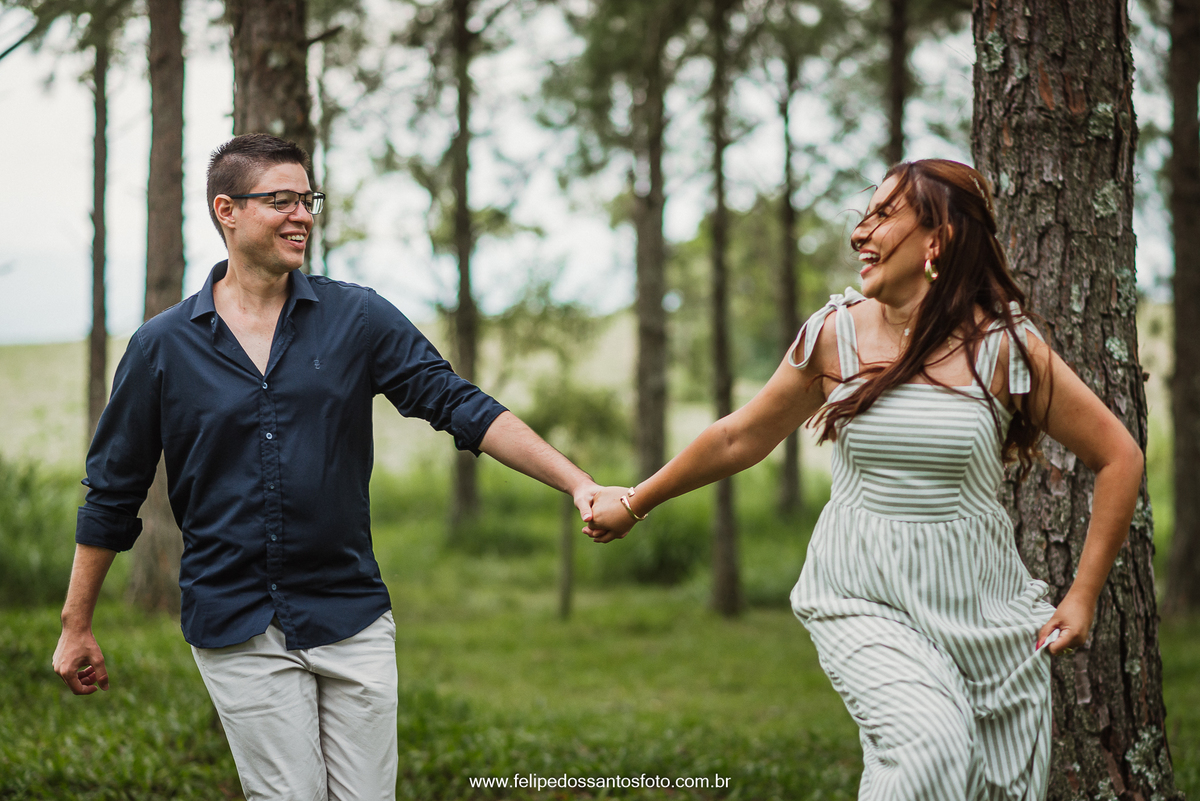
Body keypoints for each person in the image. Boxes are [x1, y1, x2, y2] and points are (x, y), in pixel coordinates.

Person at [52, 133, 606, 801]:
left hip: (350, 612)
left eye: (308, 199)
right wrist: (76, 625)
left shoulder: (357, 317)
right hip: (235, 618)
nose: (303, 216)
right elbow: (112, 492)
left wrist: (577, 482)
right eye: (281, 200)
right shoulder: (161, 347)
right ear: (227, 210)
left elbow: (457, 403)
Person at [585, 159, 1143, 800]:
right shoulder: (835, 335)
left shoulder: (1004, 347)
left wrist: (1082, 596)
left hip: (984, 611)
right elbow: (741, 437)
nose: (859, 232)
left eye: (882, 216)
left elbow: (1118, 456)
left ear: (938, 239)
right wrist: (636, 501)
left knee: (987, 786)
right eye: (863, 215)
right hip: (861, 594)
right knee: (931, 750)